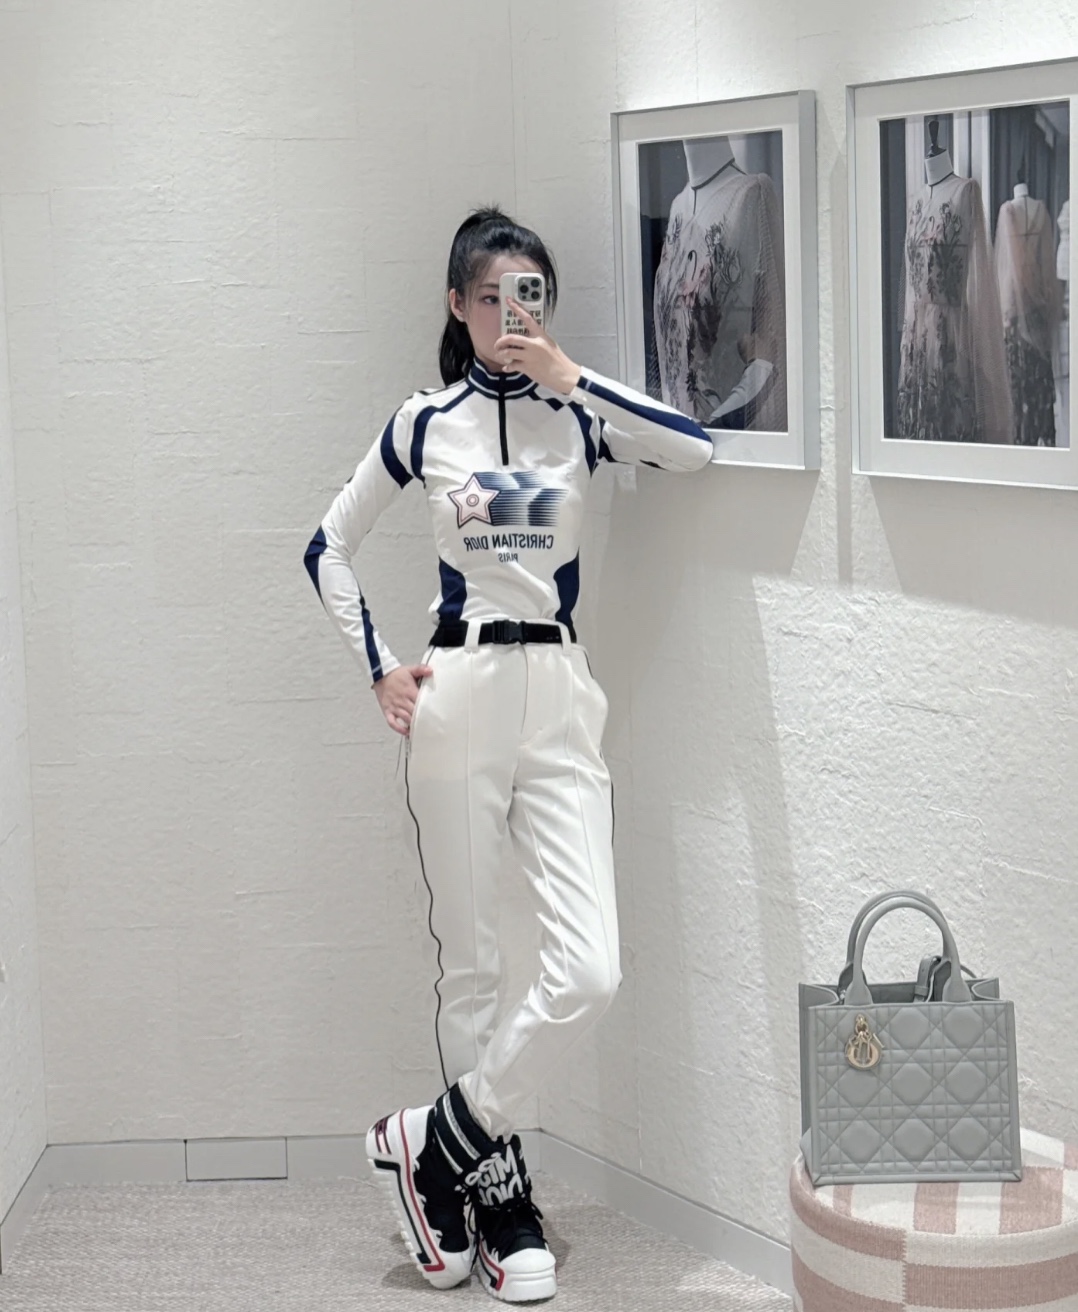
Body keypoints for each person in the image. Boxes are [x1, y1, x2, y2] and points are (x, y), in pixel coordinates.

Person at [304, 207, 712, 1303]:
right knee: (475, 963)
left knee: (589, 968)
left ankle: (438, 1139)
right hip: (460, 691)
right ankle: (496, 1191)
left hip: (562, 695)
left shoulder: (575, 419)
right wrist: (380, 665)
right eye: (488, 296)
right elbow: (326, 545)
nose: (507, 314)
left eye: (526, 294)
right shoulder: (424, 422)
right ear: (457, 304)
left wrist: (571, 376)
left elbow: (693, 445)